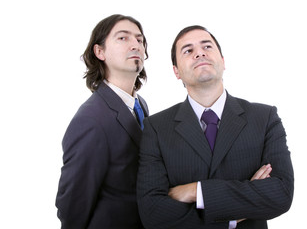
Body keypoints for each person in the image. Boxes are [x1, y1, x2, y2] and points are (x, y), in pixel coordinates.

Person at [137, 25, 294, 229]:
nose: (200, 52)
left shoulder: (264, 118)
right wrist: (232, 215)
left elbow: (281, 193)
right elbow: (152, 212)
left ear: (223, 61)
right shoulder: (157, 128)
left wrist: (197, 191)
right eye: (188, 50)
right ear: (176, 72)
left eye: (207, 46)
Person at [55, 14, 149, 229]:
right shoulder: (91, 119)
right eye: (123, 38)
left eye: (139, 39)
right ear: (100, 52)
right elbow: (72, 205)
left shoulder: (140, 104)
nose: (135, 44)